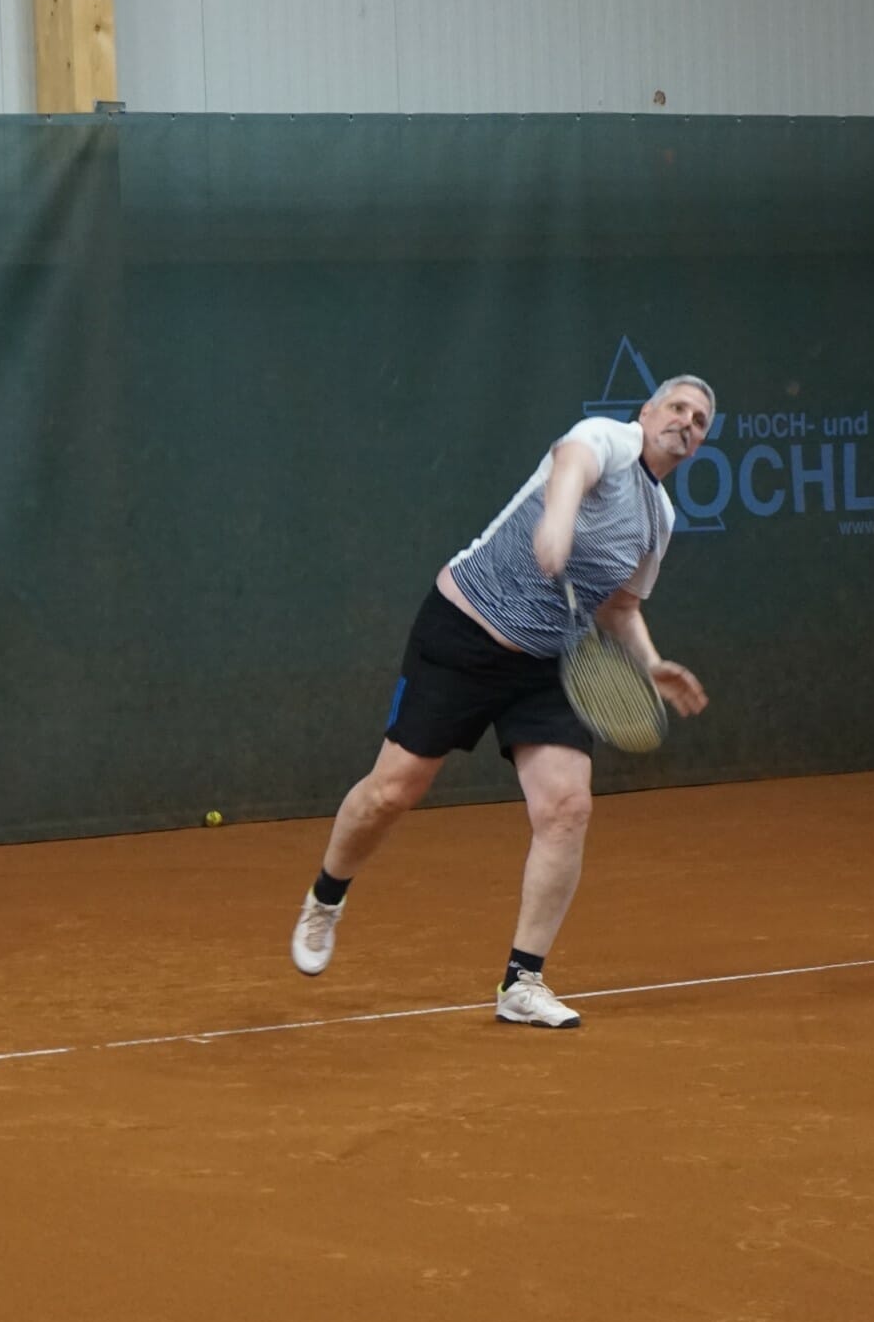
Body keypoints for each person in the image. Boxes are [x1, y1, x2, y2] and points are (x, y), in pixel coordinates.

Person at [290, 375, 716, 1028]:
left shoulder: (658, 520)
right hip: (464, 634)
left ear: (700, 443)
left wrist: (650, 663)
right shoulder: (608, 440)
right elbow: (570, 463)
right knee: (393, 791)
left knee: (567, 807)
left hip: (548, 663)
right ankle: (326, 897)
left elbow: (620, 606)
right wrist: (558, 520)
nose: (686, 421)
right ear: (648, 412)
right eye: (677, 407)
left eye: (700, 420)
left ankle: (522, 981)